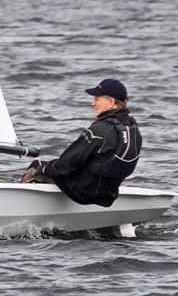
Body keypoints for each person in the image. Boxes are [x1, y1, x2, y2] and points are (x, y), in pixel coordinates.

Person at [21, 78, 142, 207]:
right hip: (108, 195)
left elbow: (66, 164)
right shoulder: (132, 128)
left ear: (111, 102)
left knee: (38, 165)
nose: (92, 103)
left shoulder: (100, 129)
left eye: (96, 99)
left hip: (83, 193)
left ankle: (20, 205)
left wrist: (44, 169)